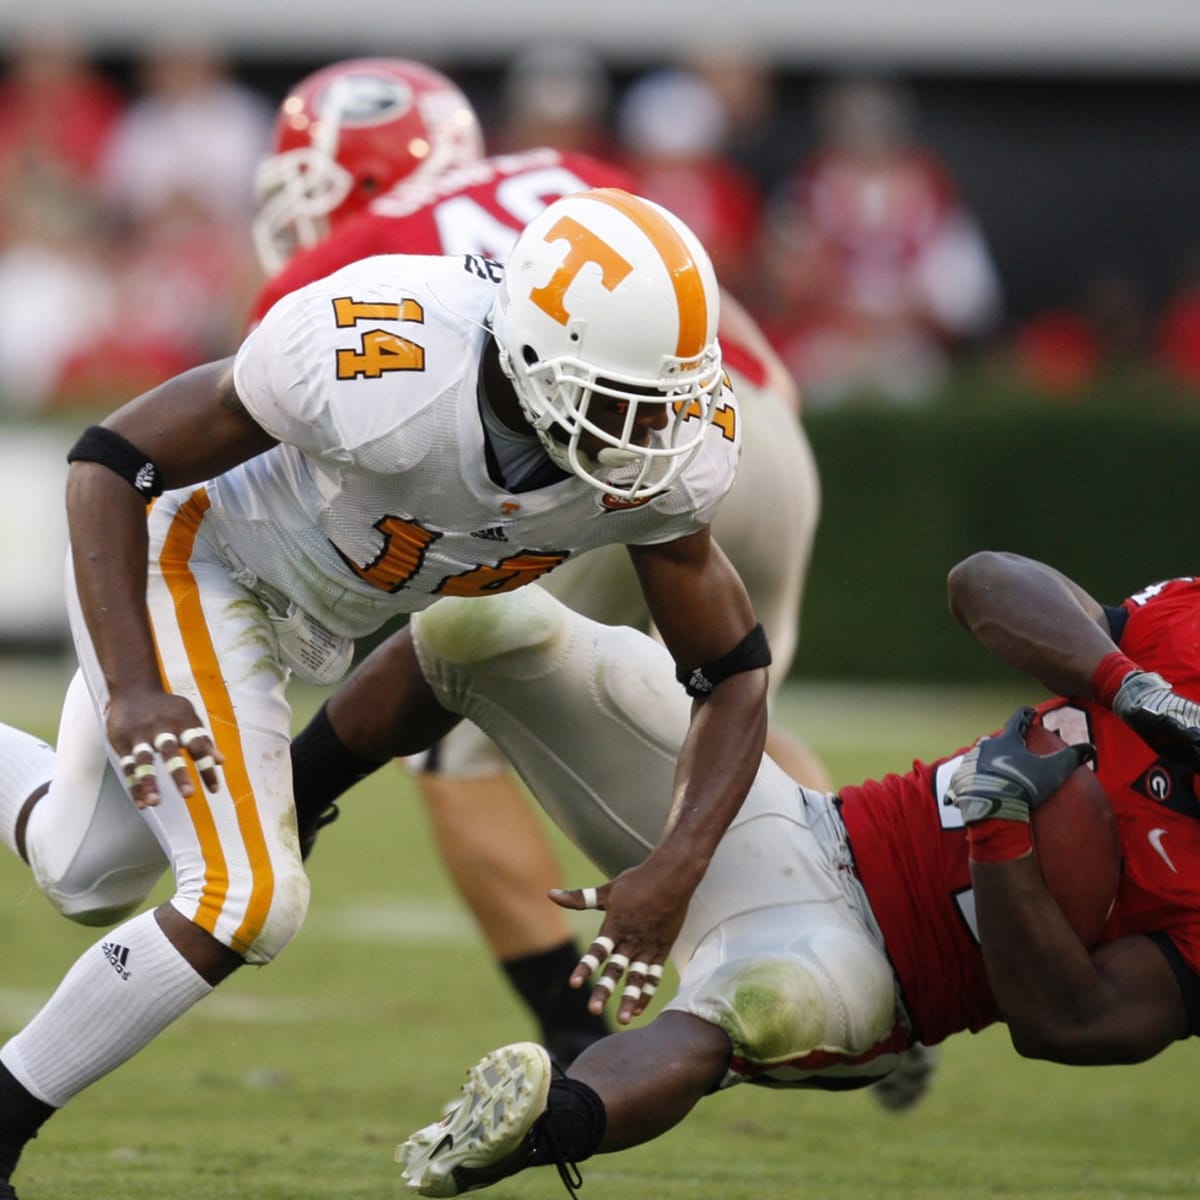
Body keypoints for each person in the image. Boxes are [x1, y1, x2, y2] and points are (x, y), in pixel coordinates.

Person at [0, 186, 769, 1198]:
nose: (653, 427)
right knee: (246, 900)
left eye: (666, 396)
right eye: (621, 395)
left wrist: (677, 862)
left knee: (84, 872)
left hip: (304, 609)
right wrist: (135, 686)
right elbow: (111, 459)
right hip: (194, 556)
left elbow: (734, 671)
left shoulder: (664, 458)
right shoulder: (388, 356)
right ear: (533, 355)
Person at [298, 549, 1200, 1197]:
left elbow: (1069, 1025)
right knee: (488, 626)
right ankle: (284, 808)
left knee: (753, 1007)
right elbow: (983, 581)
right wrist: (1127, 683)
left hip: (877, 978)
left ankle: (520, 1134)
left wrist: (1000, 836)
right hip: (802, 828)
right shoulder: (1183, 642)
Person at [250, 59, 826, 1067]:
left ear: (347, 175)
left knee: (451, 705)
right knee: (746, 708)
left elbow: (258, 450)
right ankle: (867, 950)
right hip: (754, 425)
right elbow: (708, 310)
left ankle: (574, 1027)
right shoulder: (564, 167)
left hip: (611, 452)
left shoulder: (360, 251)